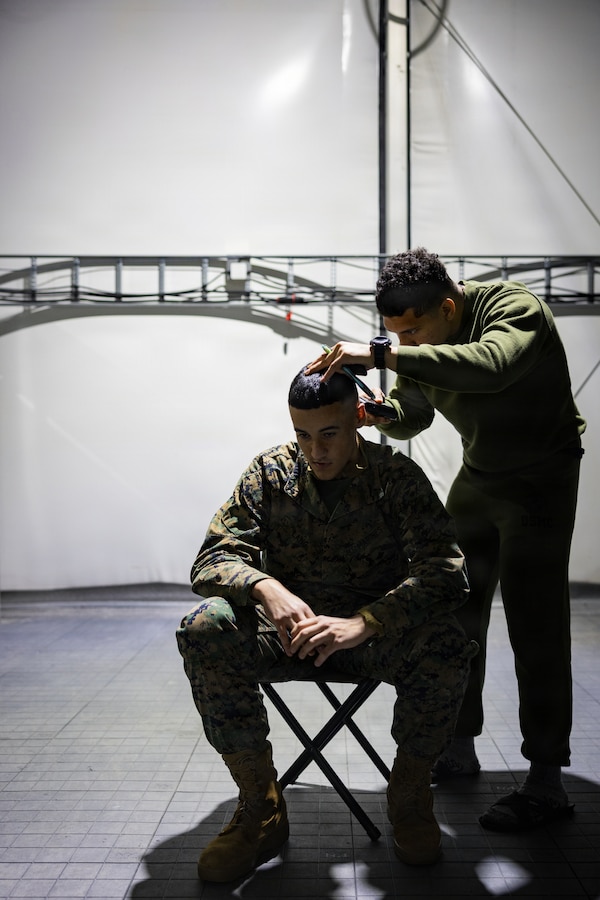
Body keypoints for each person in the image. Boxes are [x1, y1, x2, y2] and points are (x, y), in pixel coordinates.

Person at [306, 246, 586, 834]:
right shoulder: (415, 345)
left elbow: (490, 366)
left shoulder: (516, 310)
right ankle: (459, 746)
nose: (405, 345)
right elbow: (415, 413)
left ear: (449, 307)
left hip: (541, 480)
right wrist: (376, 411)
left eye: (413, 332)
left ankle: (545, 780)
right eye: (395, 335)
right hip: (481, 477)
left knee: (535, 625)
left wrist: (382, 353)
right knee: (453, 610)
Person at [177, 365, 477, 882]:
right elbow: (212, 559)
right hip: (288, 634)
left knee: (447, 641)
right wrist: (265, 589)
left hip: (370, 635)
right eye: (302, 434)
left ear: (357, 422)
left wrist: (366, 622)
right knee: (204, 628)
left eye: (329, 434)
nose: (315, 450)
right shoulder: (270, 473)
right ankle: (260, 805)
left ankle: (409, 795)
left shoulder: (394, 477)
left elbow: (447, 573)